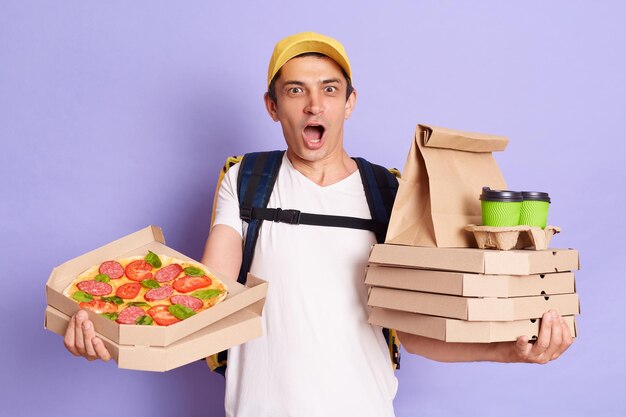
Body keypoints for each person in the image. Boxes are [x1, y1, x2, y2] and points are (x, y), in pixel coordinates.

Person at [63, 32, 573, 416]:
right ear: (272, 105)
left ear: (349, 102)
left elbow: (412, 330)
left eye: (330, 89)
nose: (314, 104)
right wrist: (117, 334)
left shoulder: (391, 193)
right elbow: (209, 298)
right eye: (295, 91)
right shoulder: (246, 179)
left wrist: (508, 350)